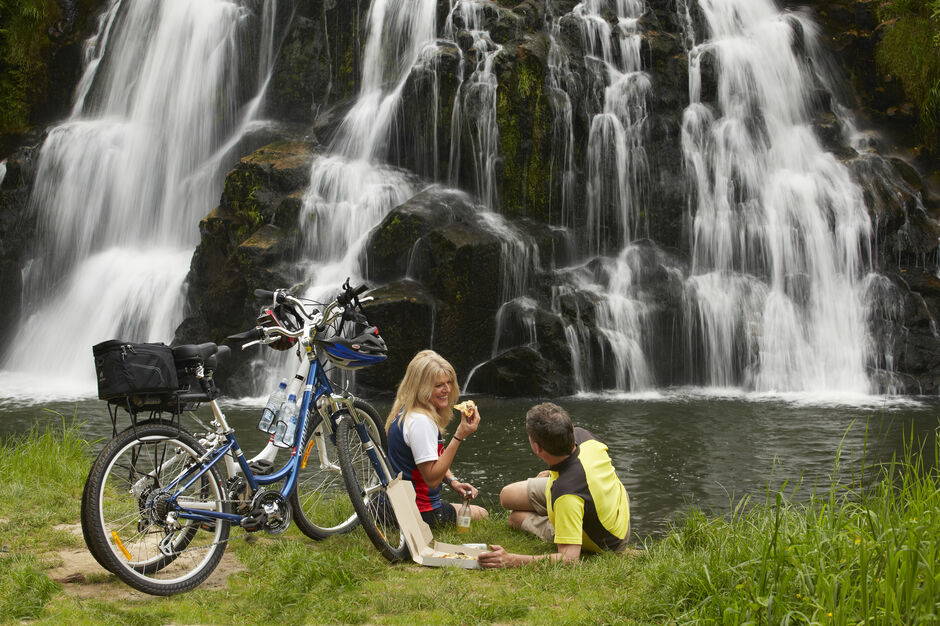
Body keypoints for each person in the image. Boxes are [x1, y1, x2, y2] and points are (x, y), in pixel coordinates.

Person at [478, 402, 630, 568]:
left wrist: (511, 560)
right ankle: (560, 517)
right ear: (571, 429)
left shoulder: (566, 494)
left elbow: (569, 559)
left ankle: (564, 526)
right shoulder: (584, 436)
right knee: (507, 495)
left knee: (515, 518)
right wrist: (552, 472)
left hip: (607, 539)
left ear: (536, 447)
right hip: (607, 498)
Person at [385, 349, 488, 528]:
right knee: (482, 514)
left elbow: (426, 460)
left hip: (391, 506)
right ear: (421, 387)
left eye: (449, 382)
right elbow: (431, 479)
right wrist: (459, 436)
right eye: (438, 385)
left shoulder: (403, 411)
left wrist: (452, 482)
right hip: (418, 513)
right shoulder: (421, 422)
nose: (447, 390)